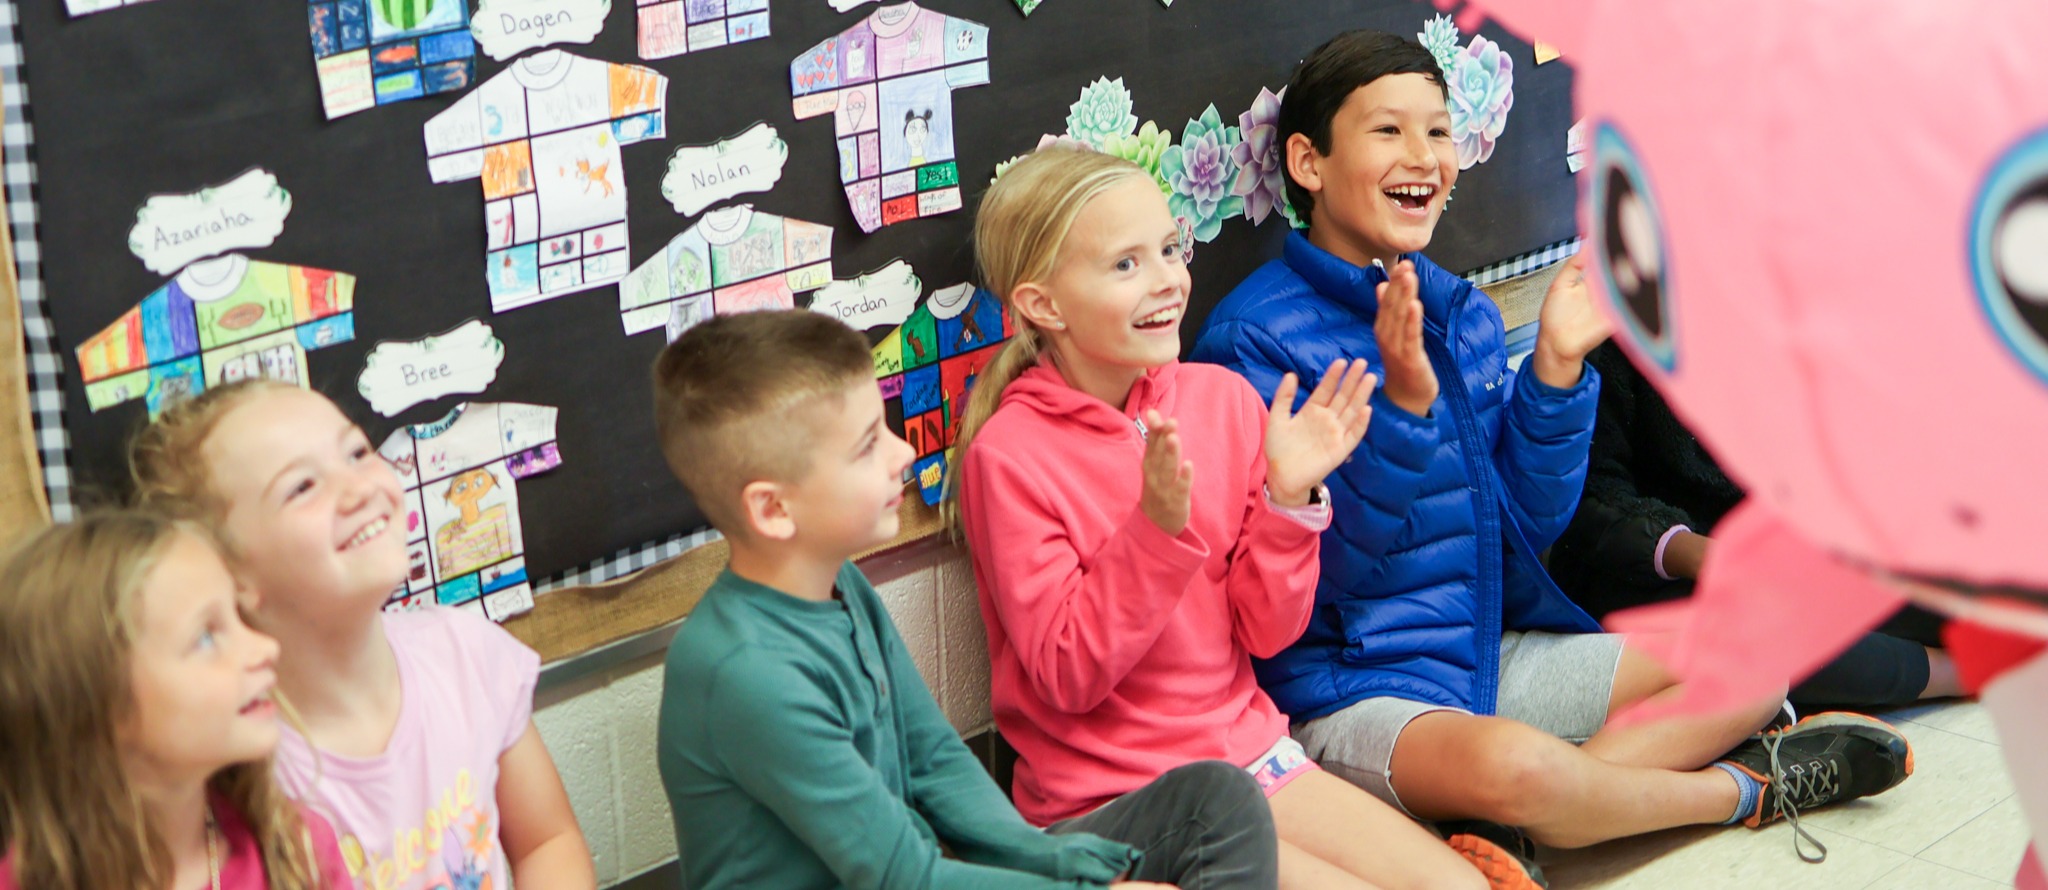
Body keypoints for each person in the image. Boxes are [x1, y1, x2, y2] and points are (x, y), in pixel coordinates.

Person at [1187, 28, 1914, 865]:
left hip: (1486, 653)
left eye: (1438, 130)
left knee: (1755, 657)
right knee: (1518, 766)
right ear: (1309, 163)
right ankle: (1743, 790)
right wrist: (1406, 419)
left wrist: (1557, 374)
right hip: (1352, 687)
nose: (1423, 155)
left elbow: (1526, 528)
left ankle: (1521, 829)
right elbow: (1297, 599)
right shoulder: (1252, 341)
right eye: (1388, 130)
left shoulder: (1460, 314)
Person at [957, 145, 1491, 890]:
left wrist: (1289, 500)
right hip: (1119, 801)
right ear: (1043, 305)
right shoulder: (1009, 456)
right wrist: (1152, 533)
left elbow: (1268, 634)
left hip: (1251, 757)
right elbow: (1068, 677)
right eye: (1125, 264)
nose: (1167, 280)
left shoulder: (1222, 400)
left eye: (1168, 249)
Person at [650, 309, 1280, 890]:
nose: (903, 453)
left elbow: (933, 759)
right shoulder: (747, 674)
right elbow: (906, 876)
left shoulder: (839, 584)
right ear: (772, 509)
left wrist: (1073, 867)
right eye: (867, 446)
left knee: (1218, 803)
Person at [130, 380, 595, 890]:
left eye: (355, 452)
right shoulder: (239, 757)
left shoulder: (465, 653)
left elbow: (548, 842)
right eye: (302, 487)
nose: (357, 488)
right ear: (230, 572)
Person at [1548, 341, 1962, 711]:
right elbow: (1590, 498)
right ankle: (1948, 674)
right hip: (1649, 568)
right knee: (1761, 636)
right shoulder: (1607, 347)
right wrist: (1704, 556)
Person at [0, 511, 353, 889]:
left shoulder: (300, 853)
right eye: (206, 637)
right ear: (98, 705)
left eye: (239, 615)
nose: (266, 648)